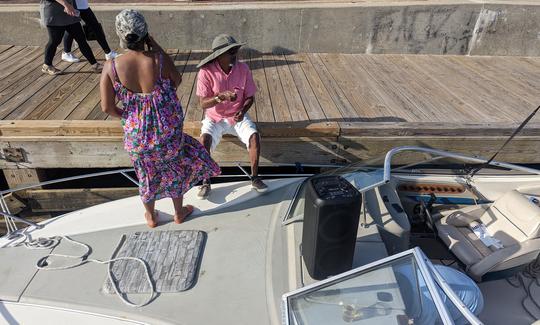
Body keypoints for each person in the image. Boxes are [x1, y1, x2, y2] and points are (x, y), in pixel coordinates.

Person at [100, 9, 220, 228]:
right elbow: (177, 81)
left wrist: (129, 117)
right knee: (174, 169)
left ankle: (152, 216)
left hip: (138, 138)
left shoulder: (112, 67)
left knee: (145, 174)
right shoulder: (159, 60)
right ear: (146, 33)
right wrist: (156, 46)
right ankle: (179, 212)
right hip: (167, 132)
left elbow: (107, 106)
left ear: (120, 35)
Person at [195, 34, 267, 199]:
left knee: (254, 136)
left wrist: (243, 110)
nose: (235, 55)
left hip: (237, 116)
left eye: (236, 50)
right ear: (219, 55)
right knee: (204, 141)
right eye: (231, 52)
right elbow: (203, 104)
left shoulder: (244, 69)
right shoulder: (205, 71)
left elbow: (250, 97)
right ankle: (205, 182)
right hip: (214, 117)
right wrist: (220, 97)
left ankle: (255, 178)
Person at [40, 0, 101, 75]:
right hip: (54, 13)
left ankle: (95, 65)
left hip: (70, 12)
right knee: (55, 41)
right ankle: (47, 65)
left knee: (81, 39)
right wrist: (66, 4)